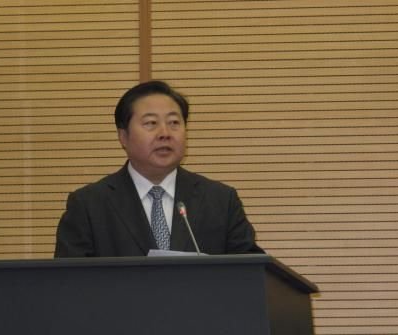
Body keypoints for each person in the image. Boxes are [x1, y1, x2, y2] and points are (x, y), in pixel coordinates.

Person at [55, 80, 264, 257]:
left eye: (174, 122)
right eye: (151, 123)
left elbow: (252, 274)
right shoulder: (88, 206)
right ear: (123, 136)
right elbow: (69, 282)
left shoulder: (221, 201)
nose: (165, 133)